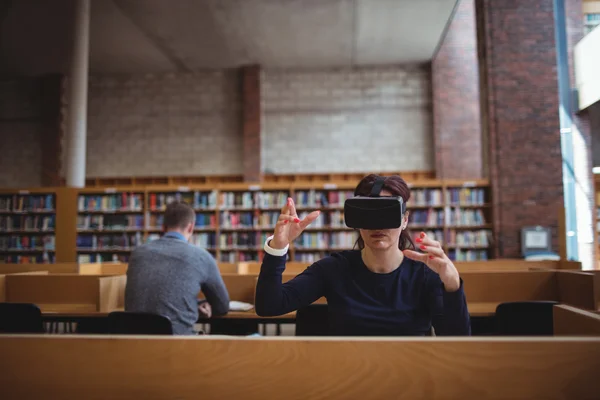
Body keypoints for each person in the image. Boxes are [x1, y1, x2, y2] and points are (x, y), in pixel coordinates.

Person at [255, 174, 471, 336]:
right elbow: (269, 306)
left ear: (405, 219)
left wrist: (452, 284)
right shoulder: (334, 269)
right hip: (348, 378)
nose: (378, 225)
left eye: (387, 212)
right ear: (356, 220)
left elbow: (457, 341)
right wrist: (277, 247)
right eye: (368, 213)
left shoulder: (424, 274)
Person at [125, 201, 229, 335]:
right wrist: (198, 304)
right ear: (191, 228)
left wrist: (192, 304)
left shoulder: (137, 253)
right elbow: (222, 307)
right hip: (177, 346)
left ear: (163, 227)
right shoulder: (200, 256)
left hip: (132, 343)